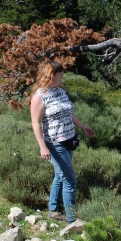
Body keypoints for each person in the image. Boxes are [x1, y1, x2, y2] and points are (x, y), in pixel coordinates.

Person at [30, 60, 95, 223]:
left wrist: (83, 127)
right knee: (70, 180)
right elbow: (35, 122)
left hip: (69, 139)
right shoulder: (39, 96)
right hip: (54, 143)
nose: (62, 75)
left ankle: (53, 209)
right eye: (60, 73)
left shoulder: (60, 91)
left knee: (60, 176)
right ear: (51, 75)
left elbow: (69, 113)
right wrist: (42, 146)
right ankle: (73, 220)